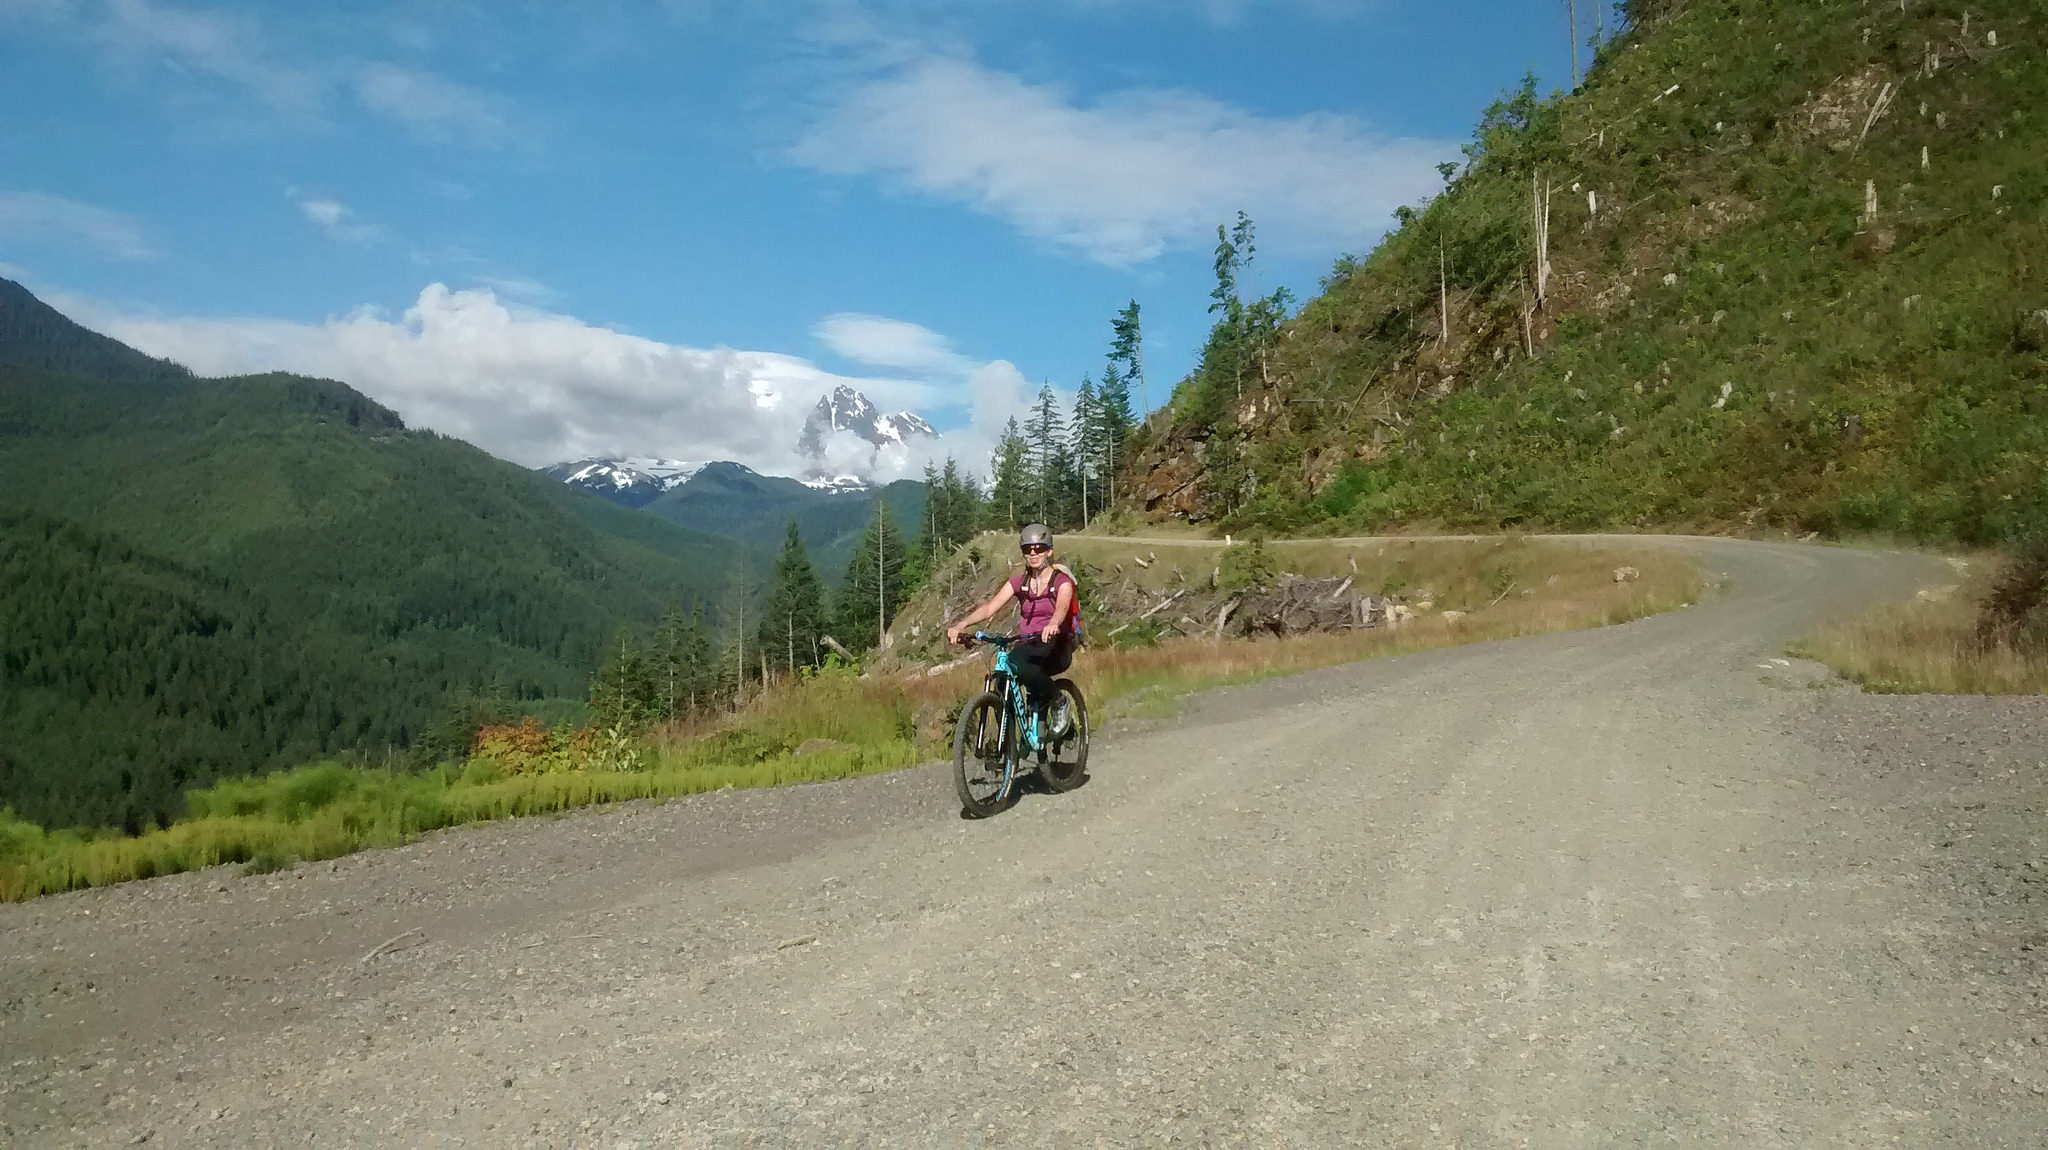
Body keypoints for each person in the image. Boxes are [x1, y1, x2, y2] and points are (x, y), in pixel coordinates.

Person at [946, 523, 1078, 733]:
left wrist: (1053, 623)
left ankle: (1059, 701)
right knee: (1001, 682)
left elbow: (1062, 607)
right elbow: (990, 607)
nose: (1033, 553)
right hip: (1030, 643)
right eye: (1028, 549)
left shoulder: (1061, 582)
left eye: (1039, 548)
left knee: (1021, 667)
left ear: (1049, 551)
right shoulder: (1019, 582)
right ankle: (1008, 744)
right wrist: (962, 624)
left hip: (1057, 645)